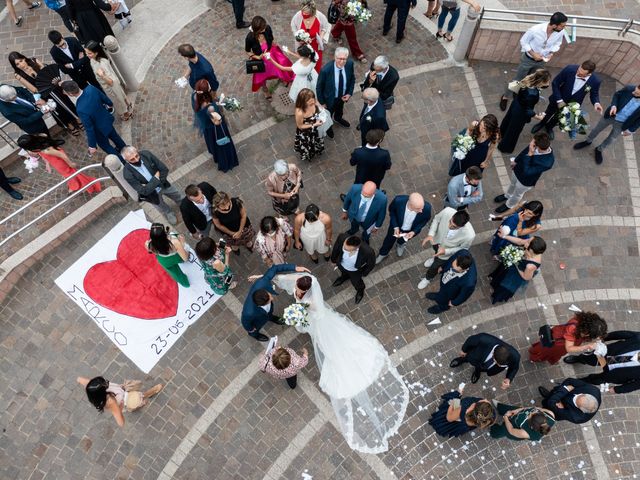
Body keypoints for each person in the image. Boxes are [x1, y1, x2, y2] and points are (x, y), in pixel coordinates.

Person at [273, 273, 409, 452]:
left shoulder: (313, 301)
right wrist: (272, 277)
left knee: (327, 345)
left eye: (299, 289)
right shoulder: (304, 280)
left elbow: (315, 311)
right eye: (297, 288)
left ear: (306, 289)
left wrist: (298, 312)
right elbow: (287, 279)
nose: (296, 290)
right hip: (310, 319)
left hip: (319, 322)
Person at [499, 12, 568, 111]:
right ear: (554, 25)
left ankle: (521, 94)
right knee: (518, 79)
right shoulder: (535, 30)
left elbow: (558, 43)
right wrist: (533, 54)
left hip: (542, 61)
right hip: (528, 59)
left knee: (533, 79)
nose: (564, 28)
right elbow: (523, 41)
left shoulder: (560, 32)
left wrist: (552, 52)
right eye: (562, 26)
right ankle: (505, 97)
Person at [9, 52, 82, 135]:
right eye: (17, 64)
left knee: (67, 103)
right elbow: (33, 89)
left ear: (24, 58)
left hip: (54, 87)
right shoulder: (18, 75)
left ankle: (77, 119)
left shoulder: (34, 61)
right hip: (44, 94)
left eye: (21, 61)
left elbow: (48, 73)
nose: (21, 65)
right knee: (57, 110)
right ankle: (70, 126)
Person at [531, 60, 602, 139]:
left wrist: (596, 103)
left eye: (581, 74)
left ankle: (549, 127)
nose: (577, 73)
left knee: (559, 117)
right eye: (578, 70)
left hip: (573, 104)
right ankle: (542, 123)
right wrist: (559, 100)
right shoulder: (569, 69)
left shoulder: (595, 81)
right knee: (549, 111)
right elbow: (555, 83)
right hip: (558, 98)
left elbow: (594, 94)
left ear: (589, 74)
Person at [574, 84, 640, 165]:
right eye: (636, 89)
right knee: (597, 129)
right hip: (611, 115)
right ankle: (588, 141)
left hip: (623, 124)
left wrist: (630, 130)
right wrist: (614, 105)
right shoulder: (629, 88)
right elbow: (617, 95)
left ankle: (599, 149)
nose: (634, 92)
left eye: (637, 93)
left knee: (611, 139)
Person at [241, 263, 309, 341]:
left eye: (269, 295)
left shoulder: (262, 282)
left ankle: (271, 317)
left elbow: (275, 268)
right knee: (254, 330)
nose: (272, 298)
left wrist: (295, 267)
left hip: (266, 310)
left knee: (269, 313)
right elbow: (245, 322)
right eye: (269, 300)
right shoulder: (248, 312)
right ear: (261, 304)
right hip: (258, 320)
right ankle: (255, 335)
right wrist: (251, 329)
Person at [17, 134, 102, 194]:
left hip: (60, 164)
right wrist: (47, 163)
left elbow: (61, 154)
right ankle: (75, 185)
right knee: (69, 175)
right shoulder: (40, 138)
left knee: (70, 174)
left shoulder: (46, 150)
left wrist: (70, 163)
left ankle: (81, 185)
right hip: (54, 161)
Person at [62, 81, 126, 159]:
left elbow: (89, 128)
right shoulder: (91, 88)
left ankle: (121, 161)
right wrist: (109, 104)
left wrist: (92, 145)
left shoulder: (80, 108)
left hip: (99, 131)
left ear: (70, 94)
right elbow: (106, 100)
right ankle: (126, 151)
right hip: (106, 120)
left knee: (106, 146)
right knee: (116, 138)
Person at [122, 146, 183, 225]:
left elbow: (164, 169)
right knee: (161, 205)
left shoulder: (146, 154)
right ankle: (168, 212)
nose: (136, 160)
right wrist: (156, 178)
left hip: (163, 184)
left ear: (137, 151)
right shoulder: (127, 174)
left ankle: (181, 203)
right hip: (152, 194)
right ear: (126, 160)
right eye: (132, 159)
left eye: (136, 156)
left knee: (176, 194)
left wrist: (149, 185)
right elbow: (143, 191)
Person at [494, 132, 554, 214]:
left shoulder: (547, 163)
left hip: (526, 181)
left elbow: (527, 172)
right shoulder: (535, 145)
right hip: (517, 169)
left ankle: (509, 205)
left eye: (532, 142)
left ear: (538, 147)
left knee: (518, 193)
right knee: (512, 184)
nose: (530, 143)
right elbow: (523, 152)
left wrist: (530, 154)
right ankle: (507, 195)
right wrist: (516, 161)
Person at [566, 330, 640, 394]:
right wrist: (604, 337)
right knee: (591, 358)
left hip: (615, 374)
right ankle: (580, 359)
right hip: (607, 355)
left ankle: (576, 383)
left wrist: (617, 390)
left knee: (596, 379)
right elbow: (623, 334)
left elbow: (636, 385)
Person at [418, 208, 475, 290]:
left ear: (462, 226)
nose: (449, 226)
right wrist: (431, 234)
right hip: (436, 241)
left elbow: (463, 249)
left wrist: (446, 251)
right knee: (435, 252)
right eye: (450, 222)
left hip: (446, 254)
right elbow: (436, 219)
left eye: (454, 227)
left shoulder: (469, 235)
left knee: (434, 267)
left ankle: (428, 278)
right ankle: (434, 258)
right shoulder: (447, 211)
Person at [498, 69, 551, 154]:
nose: (548, 83)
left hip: (516, 104)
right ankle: (504, 147)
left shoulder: (527, 80)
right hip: (520, 113)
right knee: (514, 130)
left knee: (507, 121)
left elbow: (517, 94)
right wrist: (538, 117)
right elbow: (528, 110)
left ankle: (501, 134)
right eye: (547, 81)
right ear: (541, 82)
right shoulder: (533, 94)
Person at [76, 376, 163, 427]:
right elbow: (121, 423)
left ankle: (133, 407)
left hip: (123, 391)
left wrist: (80, 379)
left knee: (134, 397)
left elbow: (79, 379)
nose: (106, 383)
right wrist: (119, 408)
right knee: (139, 397)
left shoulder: (92, 387)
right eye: (104, 384)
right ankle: (149, 394)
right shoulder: (111, 401)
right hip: (126, 399)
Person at [192, 79, 239, 172]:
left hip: (206, 128)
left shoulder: (194, 96)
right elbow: (217, 122)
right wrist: (219, 108)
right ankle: (227, 162)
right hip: (215, 129)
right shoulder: (210, 107)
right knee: (222, 146)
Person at [528, 311, 608, 365]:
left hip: (562, 342)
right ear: (587, 331)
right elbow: (569, 348)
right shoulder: (572, 328)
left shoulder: (583, 321)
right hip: (558, 344)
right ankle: (534, 358)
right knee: (546, 352)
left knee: (555, 354)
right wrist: (586, 346)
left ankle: (549, 358)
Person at [245, 16, 294, 99]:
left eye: (264, 27)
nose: (264, 29)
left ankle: (282, 77)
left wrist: (276, 46)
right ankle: (264, 89)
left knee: (281, 64)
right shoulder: (250, 37)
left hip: (272, 52)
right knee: (262, 75)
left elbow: (271, 38)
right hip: (261, 59)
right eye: (262, 29)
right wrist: (257, 57)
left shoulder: (267, 28)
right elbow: (247, 51)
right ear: (257, 30)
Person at [84, 40, 133, 121]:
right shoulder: (93, 60)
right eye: (86, 53)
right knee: (120, 97)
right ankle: (128, 104)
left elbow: (111, 81)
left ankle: (126, 114)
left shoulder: (102, 63)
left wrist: (102, 75)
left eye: (89, 53)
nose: (87, 55)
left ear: (96, 53)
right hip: (107, 85)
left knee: (117, 100)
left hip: (111, 86)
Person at [450, 333, 520, 388]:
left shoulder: (515, 356)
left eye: (501, 365)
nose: (498, 365)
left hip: (487, 367)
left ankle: (477, 371)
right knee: (466, 357)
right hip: (474, 356)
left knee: (480, 369)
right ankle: (461, 360)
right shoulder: (484, 339)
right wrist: (463, 350)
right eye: (497, 362)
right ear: (493, 353)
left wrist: (508, 378)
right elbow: (470, 340)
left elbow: (514, 368)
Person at [489, 236, 546, 303]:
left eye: (528, 241)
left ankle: (497, 295)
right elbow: (520, 241)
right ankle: (495, 282)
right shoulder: (534, 247)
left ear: (531, 250)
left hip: (517, 273)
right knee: (502, 273)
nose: (526, 241)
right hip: (514, 264)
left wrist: (516, 264)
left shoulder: (530, 266)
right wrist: (504, 236)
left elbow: (526, 277)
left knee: (505, 285)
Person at [376, 192, 430, 263]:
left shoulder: (426, 208)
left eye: (422, 208)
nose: (421, 211)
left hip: (411, 230)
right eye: (418, 209)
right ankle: (383, 253)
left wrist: (414, 231)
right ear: (411, 205)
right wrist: (395, 226)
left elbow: (424, 220)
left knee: (403, 240)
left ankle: (400, 244)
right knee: (389, 239)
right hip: (395, 226)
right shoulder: (398, 201)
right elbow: (392, 212)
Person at [316, 47, 355, 139]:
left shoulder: (349, 64)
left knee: (340, 109)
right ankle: (328, 127)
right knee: (328, 114)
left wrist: (349, 93)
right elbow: (319, 87)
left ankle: (338, 118)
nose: (341, 61)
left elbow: (352, 79)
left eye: (344, 59)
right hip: (330, 99)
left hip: (342, 96)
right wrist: (322, 103)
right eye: (339, 59)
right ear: (335, 57)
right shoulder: (326, 70)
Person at [428, 386, 496, 438]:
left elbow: (449, 418)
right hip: (464, 425)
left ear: (472, 408)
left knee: (446, 413)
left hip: (454, 416)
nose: (485, 400)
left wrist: (455, 399)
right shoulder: (487, 416)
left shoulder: (462, 410)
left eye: (475, 404)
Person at [425, 249, 477, 314]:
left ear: (464, 269)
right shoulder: (462, 253)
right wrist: (443, 267)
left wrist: (454, 302)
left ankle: (442, 308)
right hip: (445, 283)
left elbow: (464, 295)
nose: (452, 268)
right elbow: (450, 259)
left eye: (455, 269)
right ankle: (438, 296)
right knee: (442, 291)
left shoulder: (469, 283)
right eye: (453, 265)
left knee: (444, 302)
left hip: (450, 293)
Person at [330, 234, 375, 304]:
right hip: (342, 264)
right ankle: (343, 277)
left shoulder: (368, 252)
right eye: (344, 247)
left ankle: (360, 291)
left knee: (357, 282)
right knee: (343, 273)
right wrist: (333, 260)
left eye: (347, 249)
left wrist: (364, 273)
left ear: (356, 248)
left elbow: (371, 264)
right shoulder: (342, 238)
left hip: (355, 271)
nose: (344, 249)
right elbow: (336, 248)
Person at [145, 223, 190, 287]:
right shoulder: (175, 242)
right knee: (185, 255)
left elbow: (151, 251)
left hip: (163, 260)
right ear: (164, 235)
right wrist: (182, 243)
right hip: (176, 256)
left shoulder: (148, 244)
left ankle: (185, 283)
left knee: (176, 273)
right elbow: (185, 258)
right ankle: (181, 262)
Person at [290, 0, 329, 74]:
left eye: (306, 13)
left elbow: (325, 26)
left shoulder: (319, 16)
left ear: (312, 12)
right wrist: (297, 36)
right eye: (303, 12)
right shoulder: (298, 15)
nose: (304, 14)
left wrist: (321, 36)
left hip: (315, 44)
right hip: (302, 46)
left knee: (316, 62)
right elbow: (293, 25)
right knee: (303, 62)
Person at [489, 404, 555, 441]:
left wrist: (506, 417)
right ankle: (499, 407)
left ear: (531, 425)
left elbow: (511, 430)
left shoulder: (526, 433)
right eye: (534, 412)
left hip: (514, 426)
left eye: (530, 415)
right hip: (518, 415)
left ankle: (492, 427)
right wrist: (518, 410)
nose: (530, 412)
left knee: (498, 432)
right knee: (508, 409)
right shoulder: (550, 414)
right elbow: (534, 408)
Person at [294, 88, 325, 162]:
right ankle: (309, 155)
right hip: (306, 132)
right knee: (308, 144)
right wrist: (314, 124)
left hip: (316, 129)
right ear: (303, 102)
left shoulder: (314, 101)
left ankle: (317, 150)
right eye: (309, 102)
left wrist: (322, 113)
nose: (313, 103)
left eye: (313, 100)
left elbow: (320, 108)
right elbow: (300, 126)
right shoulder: (299, 112)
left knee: (317, 141)